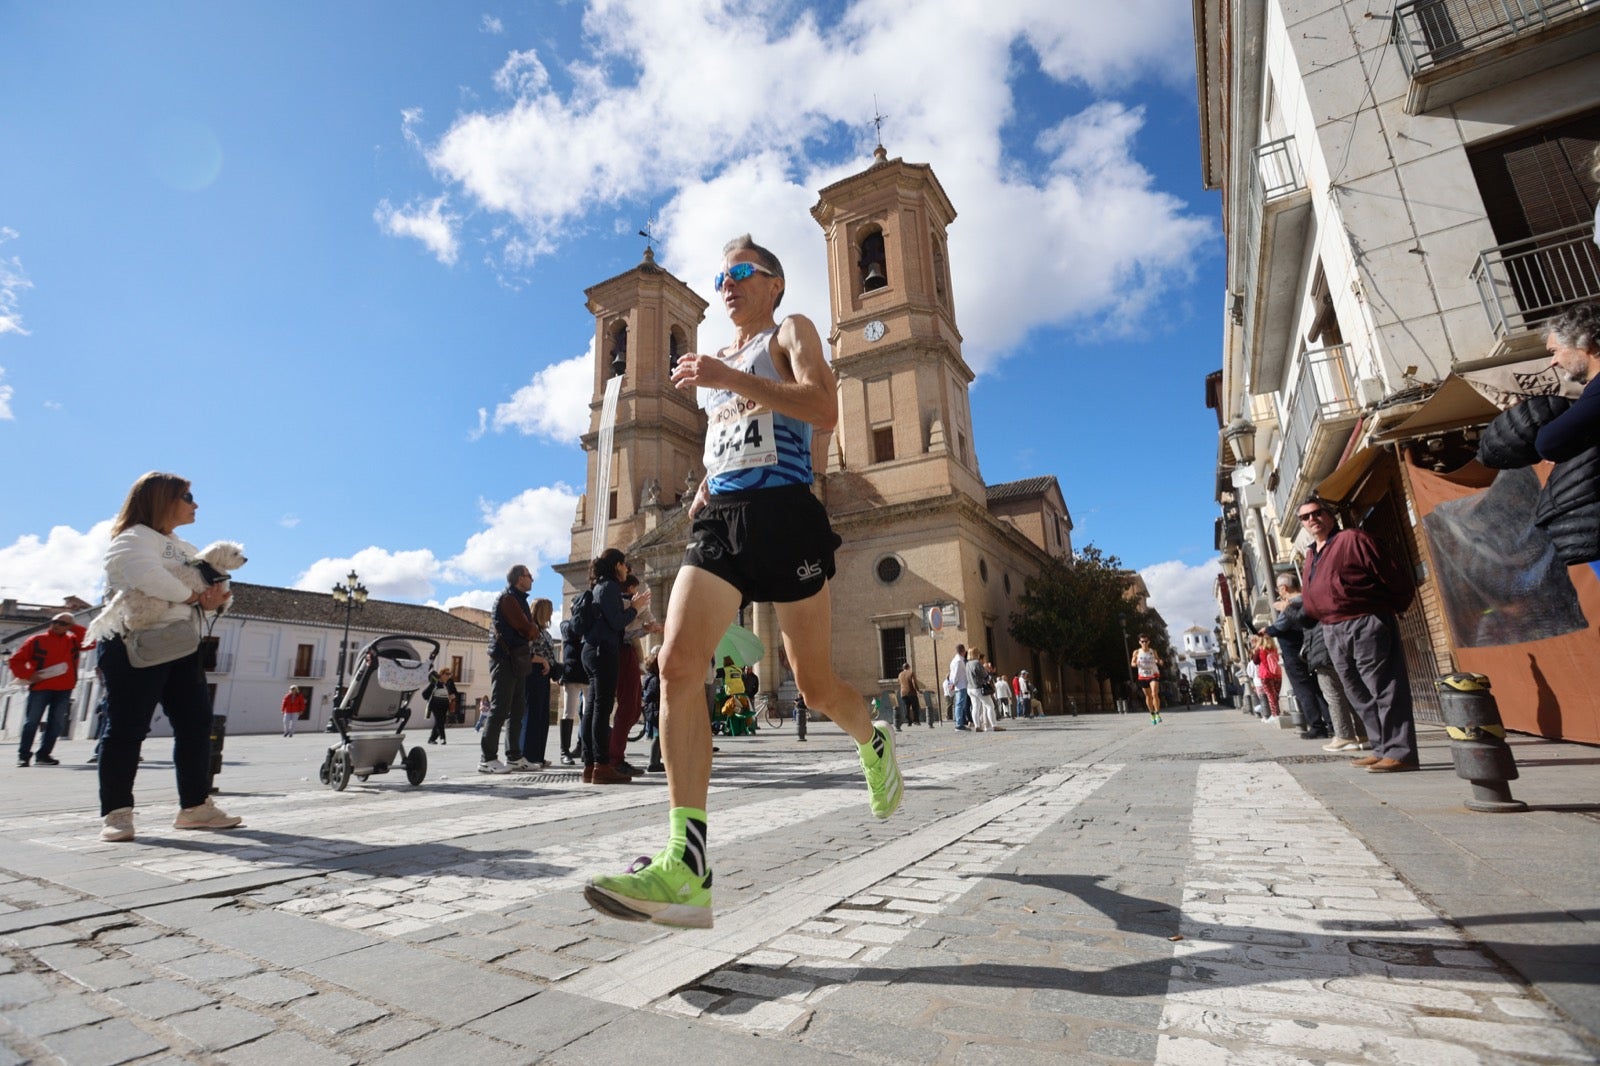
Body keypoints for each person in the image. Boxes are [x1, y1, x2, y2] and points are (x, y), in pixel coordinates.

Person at [585, 234, 901, 930]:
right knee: (675, 665)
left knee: (814, 685)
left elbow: (820, 408)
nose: (726, 284)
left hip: (787, 516)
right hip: (721, 521)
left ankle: (873, 740)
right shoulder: (717, 360)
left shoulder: (790, 331)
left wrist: (729, 382)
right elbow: (734, 434)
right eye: (720, 274)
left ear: (773, 283)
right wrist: (703, 490)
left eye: (739, 272)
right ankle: (688, 865)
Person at [93, 472, 241, 841]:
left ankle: (194, 807)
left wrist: (212, 600)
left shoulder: (188, 547)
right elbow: (145, 576)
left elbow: (205, 585)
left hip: (180, 643)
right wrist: (193, 597)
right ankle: (117, 813)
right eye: (187, 496)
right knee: (127, 727)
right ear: (162, 499)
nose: (195, 504)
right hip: (135, 642)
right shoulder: (131, 539)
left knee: (196, 724)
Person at [1297, 496, 1419, 773]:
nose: (1312, 519)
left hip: (1364, 621)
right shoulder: (1311, 553)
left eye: (1317, 513)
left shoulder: (1353, 539)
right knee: (1357, 692)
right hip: (1330, 627)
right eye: (1305, 517)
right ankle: (1381, 748)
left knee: (1384, 687)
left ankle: (1400, 752)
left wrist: (1388, 610)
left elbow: (1392, 574)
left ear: (1330, 516)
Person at [581, 548, 646, 785]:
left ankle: (590, 765)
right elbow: (617, 621)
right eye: (625, 564)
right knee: (602, 709)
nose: (627, 569)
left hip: (591, 650)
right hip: (603, 651)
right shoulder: (609, 587)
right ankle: (602, 765)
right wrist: (635, 608)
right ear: (616, 565)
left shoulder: (597, 586)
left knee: (592, 709)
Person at [9, 611, 88, 767]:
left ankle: (44, 755)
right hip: (40, 687)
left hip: (64, 688)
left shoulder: (73, 641)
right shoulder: (36, 640)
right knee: (31, 723)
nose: (57, 625)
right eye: (55, 621)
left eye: (63, 623)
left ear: (69, 627)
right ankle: (23, 756)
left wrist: (75, 627)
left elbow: (90, 642)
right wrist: (29, 676)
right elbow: (16, 660)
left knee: (56, 723)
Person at [482, 564, 536, 774]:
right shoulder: (508, 599)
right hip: (504, 658)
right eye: (528, 575)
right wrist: (531, 631)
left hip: (516, 659)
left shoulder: (519, 599)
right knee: (499, 708)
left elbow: (530, 629)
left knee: (517, 708)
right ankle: (487, 758)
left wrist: (531, 630)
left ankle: (514, 756)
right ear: (518, 579)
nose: (532, 579)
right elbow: (527, 628)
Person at [1264, 573, 1331, 739]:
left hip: (1294, 653)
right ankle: (1331, 723)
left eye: (1278, 589)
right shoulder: (1307, 600)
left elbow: (1278, 628)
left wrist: (1267, 630)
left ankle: (1316, 726)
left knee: (1303, 690)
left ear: (1283, 588)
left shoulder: (1291, 604)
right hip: (1310, 648)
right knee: (1317, 688)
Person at [607, 576, 658, 775]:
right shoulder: (622, 602)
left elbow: (628, 630)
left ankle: (613, 754)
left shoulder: (626, 602)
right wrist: (638, 611)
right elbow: (622, 629)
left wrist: (646, 628)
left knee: (632, 709)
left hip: (626, 652)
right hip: (621, 652)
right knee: (627, 708)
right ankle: (613, 757)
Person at [518, 598, 557, 769]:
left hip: (543, 675)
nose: (552, 613)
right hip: (532, 673)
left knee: (542, 716)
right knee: (532, 714)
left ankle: (538, 756)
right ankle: (527, 755)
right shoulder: (531, 629)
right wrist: (543, 660)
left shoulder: (543, 631)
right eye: (549, 609)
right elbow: (526, 652)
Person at [558, 605, 589, 766]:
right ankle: (564, 751)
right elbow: (573, 631)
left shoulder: (587, 626)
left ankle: (584, 747)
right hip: (571, 673)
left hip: (585, 673)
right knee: (568, 712)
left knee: (586, 712)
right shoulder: (566, 625)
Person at [642, 649, 665, 773]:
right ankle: (653, 762)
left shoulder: (649, 676)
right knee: (658, 736)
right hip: (655, 710)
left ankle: (656, 760)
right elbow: (654, 694)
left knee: (659, 736)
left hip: (652, 710)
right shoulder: (655, 679)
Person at [1131, 634, 1163, 724]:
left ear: (1149, 642)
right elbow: (1132, 663)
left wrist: (1159, 661)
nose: (1144, 643)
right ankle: (1152, 715)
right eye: (1142, 641)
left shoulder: (1153, 651)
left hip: (1154, 674)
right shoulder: (1136, 652)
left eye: (1146, 641)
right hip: (1142, 676)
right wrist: (1136, 664)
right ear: (1139, 642)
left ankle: (1157, 714)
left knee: (1154, 693)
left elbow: (1158, 660)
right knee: (1148, 696)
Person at [1251, 634, 1283, 718]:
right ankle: (1280, 712)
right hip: (1277, 674)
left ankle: (1275, 715)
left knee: (1271, 696)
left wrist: (1255, 649)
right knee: (1277, 695)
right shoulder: (1275, 649)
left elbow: (1255, 661)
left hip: (1266, 675)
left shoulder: (1260, 650)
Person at [422, 670, 456, 745]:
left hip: (444, 706)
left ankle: (431, 739)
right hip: (436, 705)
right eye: (447, 674)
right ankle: (442, 738)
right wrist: (433, 684)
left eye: (450, 674)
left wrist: (452, 696)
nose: (448, 676)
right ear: (442, 674)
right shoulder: (436, 683)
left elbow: (454, 693)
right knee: (439, 721)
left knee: (439, 722)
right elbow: (425, 694)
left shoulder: (448, 684)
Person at [968, 650, 997, 732]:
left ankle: (977, 726)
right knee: (990, 706)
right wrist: (988, 677)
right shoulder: (977, 663)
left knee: (975, 707)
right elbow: (985, 675)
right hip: (978, 687)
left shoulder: (967, 664)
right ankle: (994, 725)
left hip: (970, 688)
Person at [948, 643, 971, 730]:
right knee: (960, 704)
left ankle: (960, 722)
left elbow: (951, 674)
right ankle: (959, 723)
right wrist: (953, 683)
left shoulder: (954, 660)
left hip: (959, 685)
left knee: (960, 704)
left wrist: (951, 683)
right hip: (961, 685)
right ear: (963, 651)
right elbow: (956, 674)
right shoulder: (959, 661)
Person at [896, 662, 922, 729]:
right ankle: (916, 720)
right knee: (915, 707)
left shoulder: (900, 674)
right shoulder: (911, 673)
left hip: (903, 693)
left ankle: (909, 721)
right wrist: (918, 690)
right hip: (911, 692)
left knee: (906, 707)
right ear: (909, 667)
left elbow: (899, 682)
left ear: (903, 668)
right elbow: (914, 682)